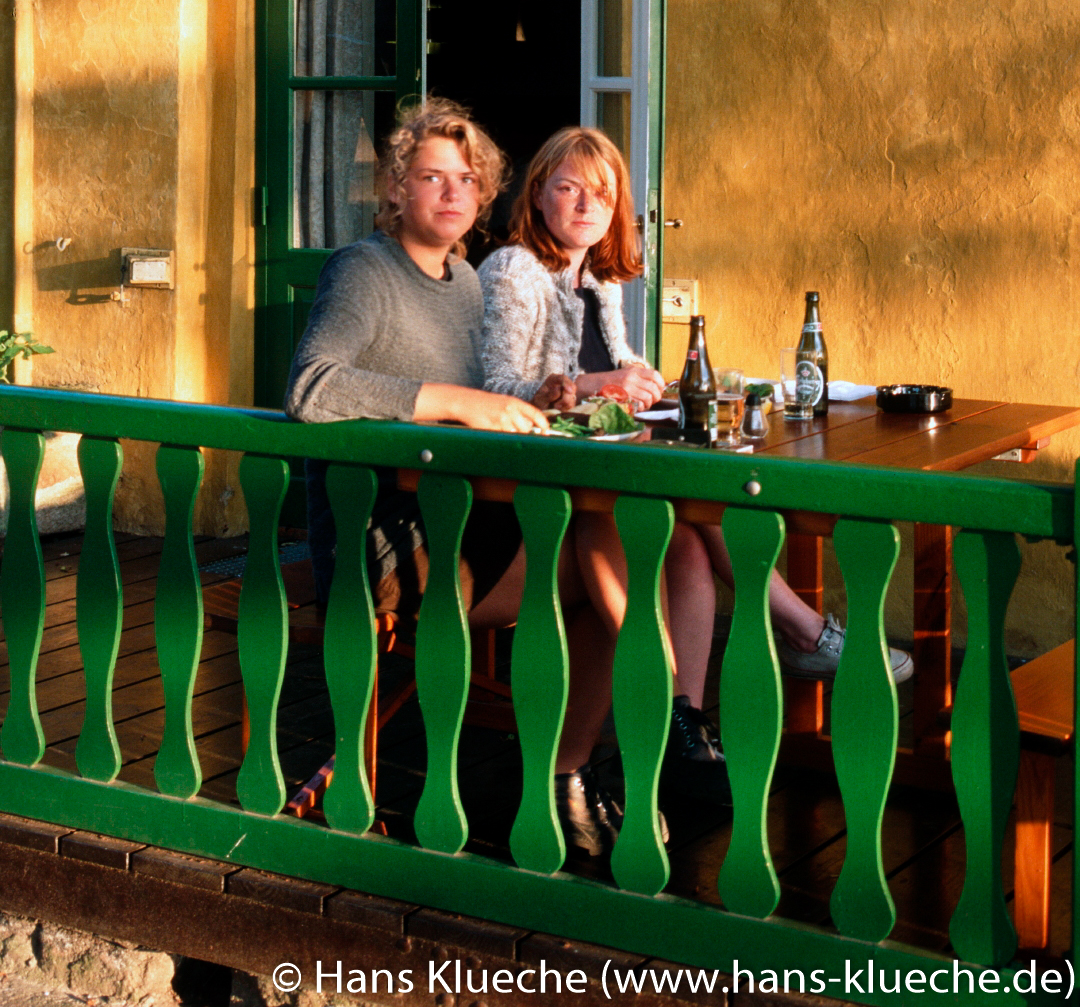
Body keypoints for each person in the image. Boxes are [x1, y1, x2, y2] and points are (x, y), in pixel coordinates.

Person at [479, 126, 913, 802]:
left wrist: (637, 375)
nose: (586, 205)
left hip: (600, 477)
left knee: (687, 536)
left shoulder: (596, 279)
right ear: (537, 196)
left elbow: (612, 369)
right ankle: (799, 630)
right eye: (568, 188)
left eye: (603, 192)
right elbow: (499, 387)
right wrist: (600, 387)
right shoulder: (513, 270)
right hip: (536, 492)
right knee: (695, 509)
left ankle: (685, 728)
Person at [284, 99, 624, 856]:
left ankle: (571, 772)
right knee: (605, 560)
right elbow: (310, 389)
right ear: (395, 190)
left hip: (465, 525)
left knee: (617, 547)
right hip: (390, 550)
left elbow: (483, 405)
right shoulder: (363, 270)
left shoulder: (468, 282)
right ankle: (646, 723)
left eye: (467, 180)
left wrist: (533, 399)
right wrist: (457, 402)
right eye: (430, 177)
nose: (450, 194)